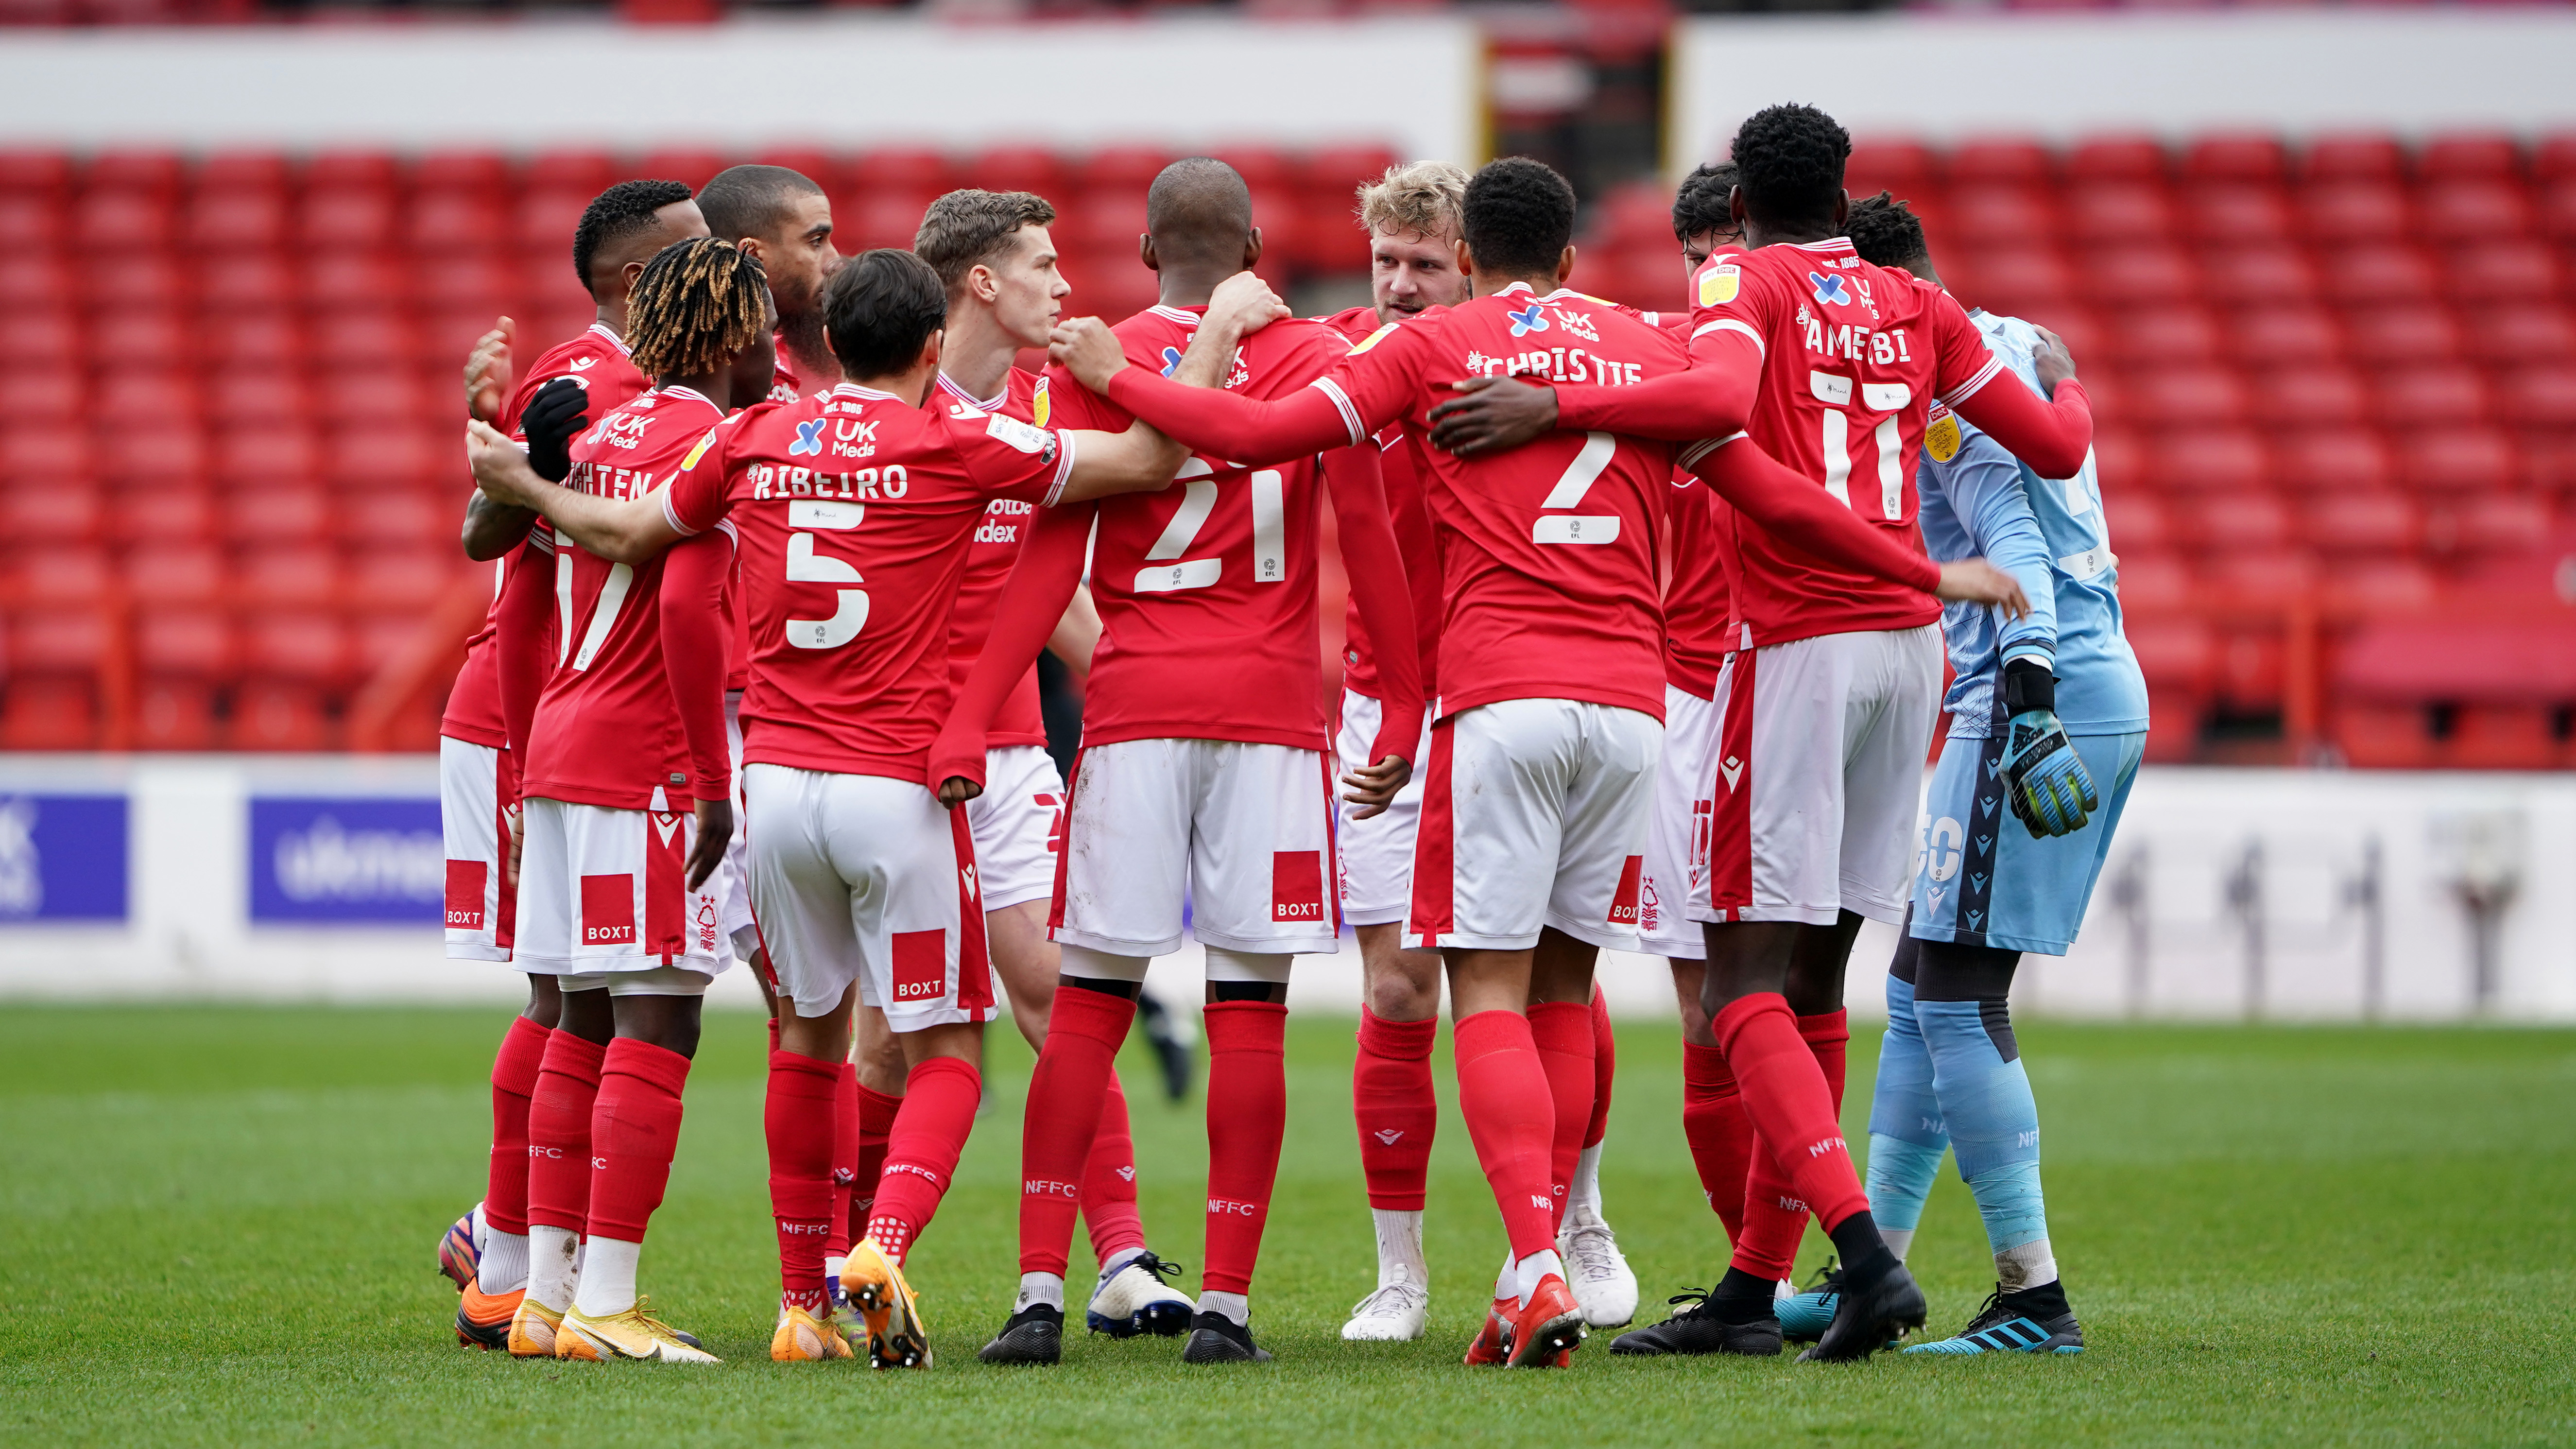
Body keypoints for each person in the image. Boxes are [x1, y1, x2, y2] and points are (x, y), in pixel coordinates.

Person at [1044, 155, 2028, 1369]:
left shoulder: (1428, 347)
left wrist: (1108, 373)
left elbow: (1251, 434)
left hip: (1494, 700)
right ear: (1570, 261)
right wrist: (1925, 573)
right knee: (1580, 989)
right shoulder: (1647, 353)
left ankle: (1537, 1265)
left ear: (1464, 258)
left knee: (1488, 993)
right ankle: (1675, 1251)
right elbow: (1766, 479)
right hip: (1631, 713)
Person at [1428, 106, 2095, 1362]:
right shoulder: (1914, 301)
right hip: (1908, 655)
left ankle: (1861, 1254)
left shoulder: (1741, 278)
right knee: (1815, 976)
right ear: (1844, 191)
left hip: (1787, 642)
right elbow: (2055, 442)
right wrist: (2051, 371)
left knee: (1734, 979)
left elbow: (1720, 396)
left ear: (1735, 207)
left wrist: (1553, 401)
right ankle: (1750, 1282)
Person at [465, 247, 1196, 1371]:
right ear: (927, 348)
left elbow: (629, 539)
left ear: (828, 342)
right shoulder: (958, 438)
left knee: (804, 1043)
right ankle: (881, 1250)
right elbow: (1150, 459)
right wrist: (1170, 352)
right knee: (946, 1045)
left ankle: (802, 1306)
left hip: (775, 788)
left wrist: (522, 489)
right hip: (893, 787)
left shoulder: (751, 438)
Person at [933, 157, 1424, 1369]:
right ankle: (1227, 1312)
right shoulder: (1318, 360)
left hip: (1137, 713)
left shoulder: (1090, 365)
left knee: (1088, 1011)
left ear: (1148, 252)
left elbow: (1044, 564)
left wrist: (966, 713)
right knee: (1249, 1016)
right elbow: (1367, 543)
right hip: (1266, 721)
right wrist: (1405, 702)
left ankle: (1041, 1295)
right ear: (1257, 244)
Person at [1795, 192, 2144, 1357]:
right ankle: (1871, 1271)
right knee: (1913, 985)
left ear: (1891, 284)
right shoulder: (2000, 347)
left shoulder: (1943, 378)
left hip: (2034, 691)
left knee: (1952, 991)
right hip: (2020, 687)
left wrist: (2030, 701)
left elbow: (2014, 547)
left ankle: (2032, 1298)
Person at [905, 187, 1193, 1339]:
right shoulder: (896, 410)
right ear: (982, 283)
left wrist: (1130, 679)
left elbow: (1057, 596)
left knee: (1055, 998)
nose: (1066, 286)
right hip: (883, 763)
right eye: (1041, 264)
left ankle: (1120, 1260)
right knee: (878, 1036)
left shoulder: (1039, 402)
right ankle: (834, 1270)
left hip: (1011, 751)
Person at [438, 178, 708, 1352]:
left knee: (577, 997)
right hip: (556, 709)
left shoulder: (654, 385)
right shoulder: (598, 384)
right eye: (696, 250)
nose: (728, 259)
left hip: (560, 717)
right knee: (588, 998)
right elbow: (490, 535)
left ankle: (513, 1262)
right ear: (638, 279)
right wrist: (510, 464)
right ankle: (528, 1266)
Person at [497, 237, 777, 1363]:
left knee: (581, 1017)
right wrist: (712, 784)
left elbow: (522, 590)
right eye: (758, 327)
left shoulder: (599, 435)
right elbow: (688, 614)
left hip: (565, 746)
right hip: (648, 757)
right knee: (659, 1018)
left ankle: (545, 1296)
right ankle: (608, 1304)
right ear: (722, 336)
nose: (772, 349)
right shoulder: (713, 440)